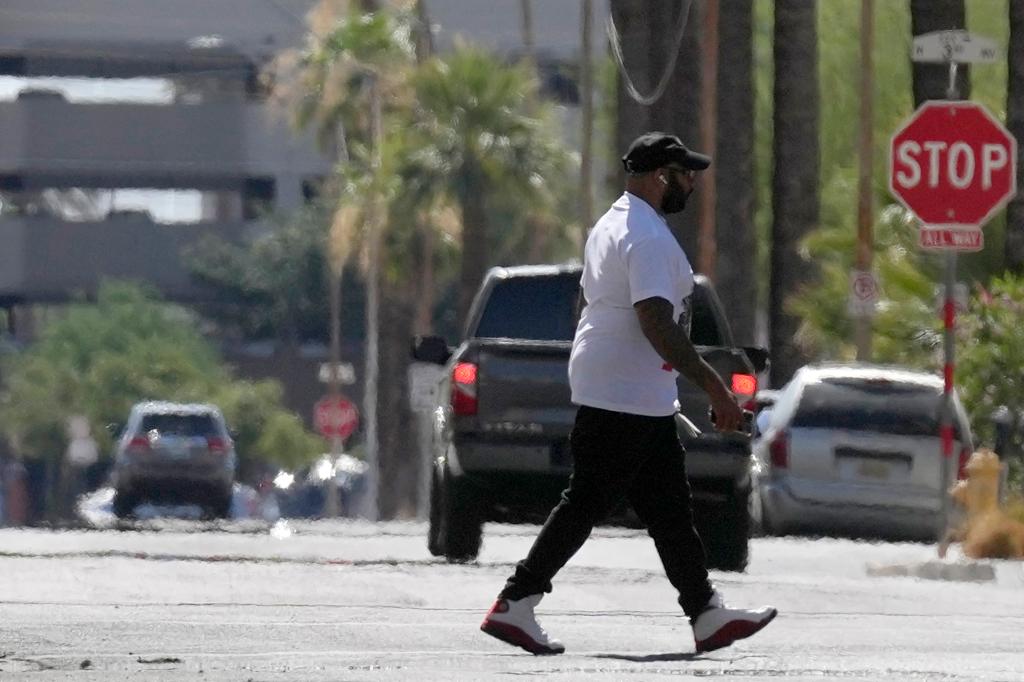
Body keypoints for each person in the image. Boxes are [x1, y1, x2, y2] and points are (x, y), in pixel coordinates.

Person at [480, 132, 777, 655]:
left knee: (667, 509)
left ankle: (705, 613)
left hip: (628, 387)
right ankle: (515, 601)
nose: (691, 184)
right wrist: (717, 389)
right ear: (661, 176)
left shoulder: (613, 223)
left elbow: (591, 305)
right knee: (588, 500)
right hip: (626, 391)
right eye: (685, 175)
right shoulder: (646, 237)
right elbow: (656, 322)